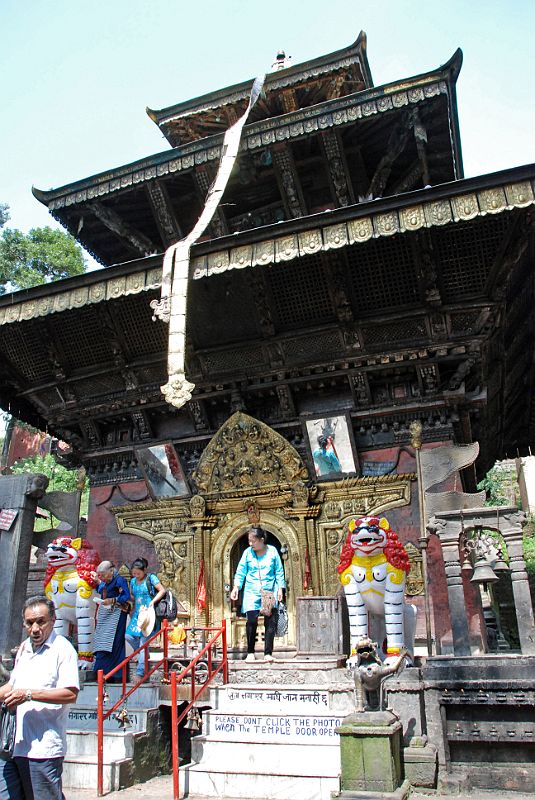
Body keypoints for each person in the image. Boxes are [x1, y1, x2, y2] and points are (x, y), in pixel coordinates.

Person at [0, 595, 79, 800]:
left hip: (44, 748)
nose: (35, 629)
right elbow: (12, 685)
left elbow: (70, 693)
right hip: (14, 745)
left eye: (40, 622)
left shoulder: (63, 650)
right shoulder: (24, 648)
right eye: (30, 623)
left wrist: (29, 695)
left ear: (52, 621)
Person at [230, 527, 285, 662]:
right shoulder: (247, 553)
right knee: (252, 620)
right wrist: (236, 587)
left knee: (270, 621)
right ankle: (250, 652)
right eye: (249, 541)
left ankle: (268, 653)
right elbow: (241, 570)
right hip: (251, 590)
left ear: (261, 540)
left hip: (269, 589)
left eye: (253, 541)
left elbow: (278, 571)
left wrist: (280, 589)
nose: (251, 544)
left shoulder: (272, 551)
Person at [125, 558, 166, 677]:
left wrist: (153, 601)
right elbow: (134, 596)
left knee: (144, 642)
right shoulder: (133, 581)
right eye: (134, 573)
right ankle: (144, 654)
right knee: (128, 636)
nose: (136, 576)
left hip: (149, 614)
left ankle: (140, 671)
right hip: (138, 614)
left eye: (138, 573)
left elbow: (162, 591)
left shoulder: (151, 578)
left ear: (144, 570)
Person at [92, 560, 131, 681]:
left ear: (111, 571)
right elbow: (102, 590)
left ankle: (116, 674)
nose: (102, 578)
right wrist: (97, 582)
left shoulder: (119, 580)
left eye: (103, 575)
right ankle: (100, 672)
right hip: (105, 614)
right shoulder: (105, 582)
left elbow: (126, 596)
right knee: (101, 641)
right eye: (100, 576)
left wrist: (113, 600)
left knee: (114, 643)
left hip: (117, 613)